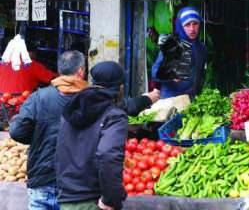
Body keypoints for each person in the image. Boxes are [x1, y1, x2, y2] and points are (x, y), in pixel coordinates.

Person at [9, 51, 159, 210]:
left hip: (44, 179)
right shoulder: (87, 101)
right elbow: (123, 110)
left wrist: (39, 137)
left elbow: (17, 131)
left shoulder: (40, 98)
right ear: (81, 71)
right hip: (76, 187)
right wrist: (147, 98)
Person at [56, 61, 128, 210]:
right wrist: (111, 199)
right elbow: (108, 155)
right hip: (92, 201)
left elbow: (59, 150)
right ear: (120, 87)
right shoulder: (114, 116)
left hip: (67, 199)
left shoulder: (71, 109)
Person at [152, 6, 207, 99]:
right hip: (171, 100)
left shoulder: (201, 48)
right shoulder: (172, 45)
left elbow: (200, 73)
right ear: (180, 26)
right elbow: (154, 73)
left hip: (191, 100)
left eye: (195, 24)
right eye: (187, 25)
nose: (192, 29)